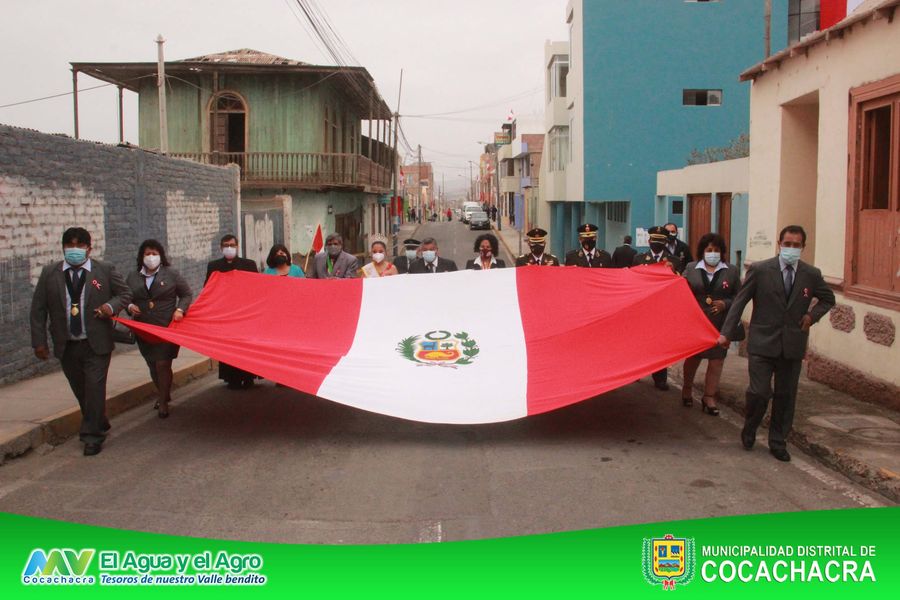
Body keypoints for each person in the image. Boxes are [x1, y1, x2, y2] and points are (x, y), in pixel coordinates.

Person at [719, 225, 835, 462]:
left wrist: (811, 316)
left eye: (796, 245)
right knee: (759, 392)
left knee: (785, 395)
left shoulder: (811, 274)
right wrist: (726, 333)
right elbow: (740, 302)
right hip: (762, 342)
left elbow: (828, 299)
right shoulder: (760, 270)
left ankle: (778, 441)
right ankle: (750, 427)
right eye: (787, 244)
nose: (791, 249)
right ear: (779, 244)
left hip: (792, 344)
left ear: (803, 247)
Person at [30, 227, 132, 456]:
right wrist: (39, 342)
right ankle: (99, 420)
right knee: (81, 390)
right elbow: (38, 310)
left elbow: (125, 294)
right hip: (67, 344)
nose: (74, 250)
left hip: (96, 343)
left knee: (94, 389)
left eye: (79, 245)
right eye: (70, 245)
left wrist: (109, 307)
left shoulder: (103, 270)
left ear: (89, 248)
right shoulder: (50, 273)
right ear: (63, 247)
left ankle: (92, 437)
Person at [125, 240, 192, 419]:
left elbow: (186, 294)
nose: (151, 257)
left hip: (166, 327)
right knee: (152, 364)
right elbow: (125, 297)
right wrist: (130, 307)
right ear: (141, 256)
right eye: (147, 254)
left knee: (163, 363)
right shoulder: (133, 276)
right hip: (144, 327)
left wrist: (180, 309)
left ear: (161, 255)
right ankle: (164, 391)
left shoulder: (171, 274)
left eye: (155, 253)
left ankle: (162, 401)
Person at [680, 233, 741, 416]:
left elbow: (739, 296)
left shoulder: (731, 271)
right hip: (696, 322)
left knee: (717, 361)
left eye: (716, 250)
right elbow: (680, 290)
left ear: (722, 252)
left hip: (719, 323)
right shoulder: (691, 268)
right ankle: (687, 388)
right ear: (702, 251)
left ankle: (709, 397)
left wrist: (726, 304)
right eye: (709, 250)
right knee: (693, 358)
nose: (713, 253)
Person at [206, 234, 259, 390]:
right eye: (226, 245)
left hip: (245, 313)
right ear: (221, 248)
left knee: (246, 347)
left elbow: (257, 288)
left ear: (237, 246)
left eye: (232, 245)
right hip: (225, 315)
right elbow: (208, 289)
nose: (229, 248)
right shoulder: (214, 266)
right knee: (228, 348)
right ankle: (232, 379)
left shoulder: (248, 264)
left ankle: (248, 377)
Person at [633, 226, 683, 390]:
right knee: (639, 342)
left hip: (662, 310)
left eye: (661, 241)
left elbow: (679, 285)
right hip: (643, 308)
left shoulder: (674, 261)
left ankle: (660, 378)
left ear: (665, 242)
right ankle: (636, 371)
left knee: (660, 345)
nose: (657, 244)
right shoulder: (639, 258)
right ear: (649, 241)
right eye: (654, 241)